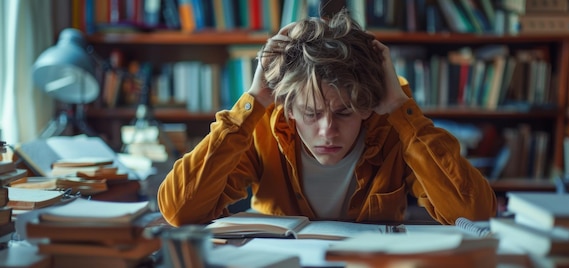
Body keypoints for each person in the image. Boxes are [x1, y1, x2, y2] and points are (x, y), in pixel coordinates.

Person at [157, 9, 497, 227]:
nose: (327, 131)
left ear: (367, 106)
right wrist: (254, 103)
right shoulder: (262, 125)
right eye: (310, 113)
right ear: (288, 108)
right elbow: (179, 210)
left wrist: (399, 108)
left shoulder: (394, 128)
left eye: (344, 112)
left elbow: (475, 214)